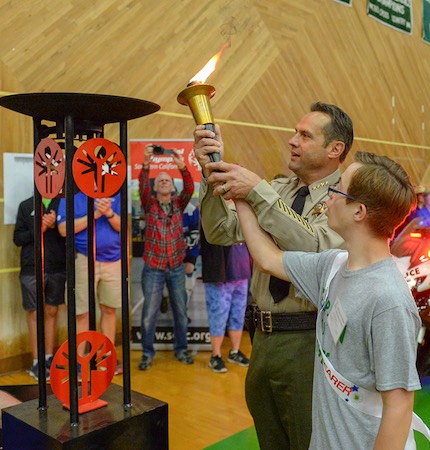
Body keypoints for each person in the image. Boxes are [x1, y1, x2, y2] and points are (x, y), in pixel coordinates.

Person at [193, 102, 352, 450]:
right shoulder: (279, 189)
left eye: (305, 135)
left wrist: (257, 193)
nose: (292, 141)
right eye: (295, 132)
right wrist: (211, 176)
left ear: (334, 149)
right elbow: (221, 230)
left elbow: (317, 248)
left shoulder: (344, 198)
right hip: (261, 339)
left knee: (307, 441)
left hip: (308, 342)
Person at [235, 151, 421, 449]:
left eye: (337, 191)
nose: (327, 200)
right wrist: (241, 196)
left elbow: (398, 406)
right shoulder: (331, 266)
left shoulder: (388, 300)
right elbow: (268, 258)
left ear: (358, 211)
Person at [137, 145, 195, 370]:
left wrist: (181, 165)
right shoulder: (148, 204)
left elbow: (189, 186)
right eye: (160, 179)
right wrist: (146, 163)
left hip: (177, 267)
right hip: (153, 267)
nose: (163, 181)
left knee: (181, 312)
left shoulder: (179, 204)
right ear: (154, 186)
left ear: (172, 187)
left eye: (167, 180)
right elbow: (142, 183)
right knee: (148, 315)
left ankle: (181, 350)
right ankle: (147, 353)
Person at [57, 192, 122, 374]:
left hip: (114, 259)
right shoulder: (72, 197)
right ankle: (78, 362)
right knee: (82, 313)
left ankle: (106, 358)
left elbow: (122, 227)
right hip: (84, 259)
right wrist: (94, 214)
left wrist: (108, 212)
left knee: (109, 309)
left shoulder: (116, 195)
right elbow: (63, 229)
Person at [14, 195, 66, 381]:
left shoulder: (63, 203)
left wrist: (54, 226)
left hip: (57, 267)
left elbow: (69, 235)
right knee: (35, 314)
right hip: (31, 268)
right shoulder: (26, 204)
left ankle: (48, 358)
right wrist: (39, 229)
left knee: (52, 311)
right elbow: (17, 238)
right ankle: (37, 361)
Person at [200, 222, 252, 373]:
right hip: (220, 274)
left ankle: (234, 352)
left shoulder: (242, 210)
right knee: (218, 315)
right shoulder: (213, 211)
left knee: (238, 315)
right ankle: (215, 355)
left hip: (241, 273)